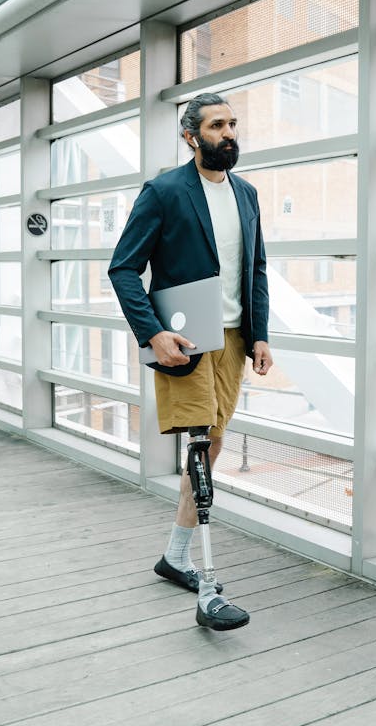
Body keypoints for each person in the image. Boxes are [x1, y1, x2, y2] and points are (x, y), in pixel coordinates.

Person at [109, 92, 272, 631]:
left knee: (214, 443)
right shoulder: (163, 191)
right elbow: (124, 269)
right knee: (201, 443)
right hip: (185, 335)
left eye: (232, 124)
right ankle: (206, 582)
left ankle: (174, 556)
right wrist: (152, 333)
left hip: (231, 340)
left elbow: (257, 271)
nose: (229, 133)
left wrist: (260, 337)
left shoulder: (246, 194)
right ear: (191, 136)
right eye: (217, 125)